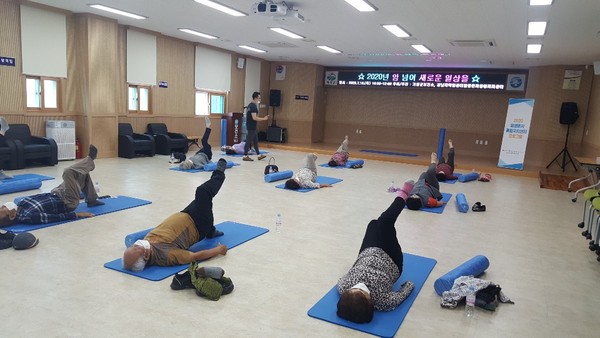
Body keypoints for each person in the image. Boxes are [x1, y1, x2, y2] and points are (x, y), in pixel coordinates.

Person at [122, 159, 229, 271]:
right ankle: (219, 174)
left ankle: (211, 232)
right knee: (203, 192)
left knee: (203, 201)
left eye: (133, 246)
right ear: (146, 256)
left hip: (187, 214)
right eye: (136, 248)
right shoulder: (166, 255)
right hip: (199, 224)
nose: (136, 244)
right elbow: (193, 256)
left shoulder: (145, 246)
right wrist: (219, 250)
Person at [336, 196, 415, 323]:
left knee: (373, 224)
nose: (361, 286)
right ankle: (403, 195)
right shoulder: (384, 302)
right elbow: (408, 287)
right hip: (391, 259)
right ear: (370, 302)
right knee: (384, 222)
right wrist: (405, 284)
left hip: (367, 252)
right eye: (363, 291)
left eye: (355, 288)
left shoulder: (342, 287)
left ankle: (384, 230)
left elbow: (342, 278)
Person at [0, 145, 104, 227]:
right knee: (68, 172)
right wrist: (77, 215)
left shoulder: (20, 206)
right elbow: (54, 217)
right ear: (12, 216)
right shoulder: (30, 217)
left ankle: (92, 200)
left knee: (82, 173)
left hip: (56, 193)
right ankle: (90, 160)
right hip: (67, 202)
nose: (3, 205)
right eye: (4, 209)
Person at [243, 92, 270, 162]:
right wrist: (264, 119)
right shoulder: (253, 107)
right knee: (248, 141)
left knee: (255, 141)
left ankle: (258, 155)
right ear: (255, 98)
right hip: (251, 127)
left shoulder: (250, 105)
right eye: (259, 98)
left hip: (252, 126)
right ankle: (245, 155)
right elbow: (254, 118)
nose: (260, 99)